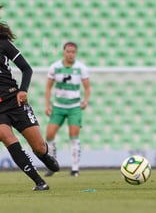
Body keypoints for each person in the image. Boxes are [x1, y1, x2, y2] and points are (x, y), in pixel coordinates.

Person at [0, 19, 59, 191]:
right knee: (7, 138)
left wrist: (23, 90)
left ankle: (44, 156)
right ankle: (39, 182)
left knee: (39, 147)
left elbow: (27, 69)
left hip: (14, 100)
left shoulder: (3, 44)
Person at [44, 41, 90, 177]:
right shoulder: (55, 67)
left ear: (76, 53)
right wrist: (47, 105)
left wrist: (85, 100)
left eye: (73, 52)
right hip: (58, 106)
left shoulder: (81, 68)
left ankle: (75, 168)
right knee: (49, 135)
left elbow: (87, 87)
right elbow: (48, 87)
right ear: (64, 52)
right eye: (68, 51)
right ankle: (52, 165)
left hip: (74, 107)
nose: (70, 54)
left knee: (74, 135)